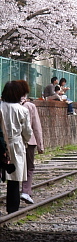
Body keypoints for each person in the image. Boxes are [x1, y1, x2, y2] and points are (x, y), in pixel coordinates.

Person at [0, 81, 33, 213]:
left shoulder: (0, 106)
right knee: (14, 179)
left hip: (0, 144)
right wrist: (24, 141)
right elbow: (27, 132)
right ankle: (12, 209)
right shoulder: (22, 110)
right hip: (16, 144)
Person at [16, 81, 44, 205]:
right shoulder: (30, 106)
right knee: (29, 167)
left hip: (14, 141)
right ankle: (25, 191)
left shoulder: (9, 105)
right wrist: (40, 145)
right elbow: (36, 127)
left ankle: (14, 192)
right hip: (29, 142)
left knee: (16, 167)